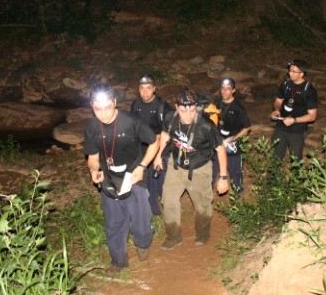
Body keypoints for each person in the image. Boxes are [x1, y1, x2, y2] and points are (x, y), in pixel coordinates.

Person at [84, 83, 159, 273]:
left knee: (141, 221)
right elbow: (93, 158)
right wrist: (94, 171)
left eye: (108, 107)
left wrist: (142, 167)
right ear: (92, 106)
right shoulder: (92, 127)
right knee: (114, 222)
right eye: (98, 109)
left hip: (134, 176)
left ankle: (143, 244)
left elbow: (153, 142)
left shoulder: (131, 121)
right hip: (109, 178)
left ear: (114, 103)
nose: (103, 113)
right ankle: (119, 261)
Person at [153, 89, 229, 250]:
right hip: (176, 166)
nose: (188, 116)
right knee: (169, 202)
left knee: (202, 206)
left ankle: (202, 234)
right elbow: (165, 135)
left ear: (195, 107)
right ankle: (173, 237)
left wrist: (223, 177)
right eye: (183, 111)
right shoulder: (170, 117)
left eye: (192, 111)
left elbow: (220, 149)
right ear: (176, 107)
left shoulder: (206, 126)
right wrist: (158, 155)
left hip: (200, 169)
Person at [130, 74, 173, 216]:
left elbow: (166, 133)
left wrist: (158, 155)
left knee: (160, 180)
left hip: (162, 148)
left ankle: (168, 207)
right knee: (145, 180)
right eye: (142, 88)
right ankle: (153, 210)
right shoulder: (136, 105)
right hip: (143, 148)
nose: (145, 92)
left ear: (154, 89)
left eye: (148, 88)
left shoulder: (163, 107)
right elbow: (134, 128)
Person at [270, 59, 318, 161]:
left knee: (296, 160)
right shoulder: (286, 84)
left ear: (302, 74)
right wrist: (277, 110)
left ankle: (296, 177)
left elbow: (312, 116)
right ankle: (273, 177)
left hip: (297, 130)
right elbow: (278, 101)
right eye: (290, 70)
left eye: (294, 71)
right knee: (275, 157)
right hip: (281, 126)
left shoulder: (309, 90)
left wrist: (294, 120)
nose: (290, 73)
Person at [212, 77, 252, 194]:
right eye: (222, 89)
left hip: (232, 144)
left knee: (235, 171)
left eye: (228, 89)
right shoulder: (216, 103)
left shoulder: (238, 108)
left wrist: (232, 139)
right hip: (218, 143)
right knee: (212, 168)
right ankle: (208, 189)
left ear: (233, 90)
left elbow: (247, 127)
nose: (224, 91)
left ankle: (238, 192)